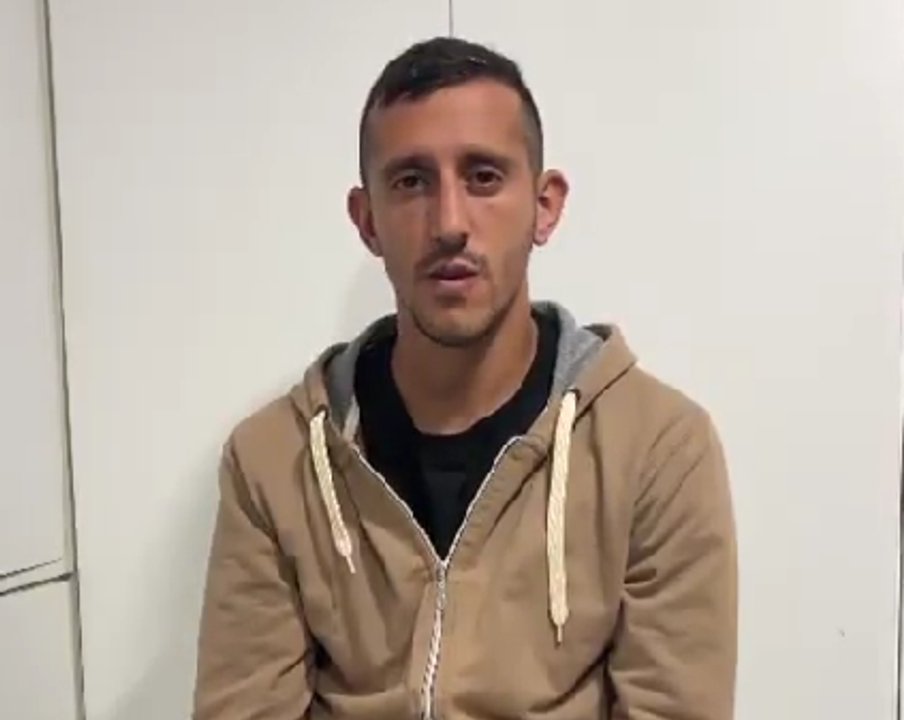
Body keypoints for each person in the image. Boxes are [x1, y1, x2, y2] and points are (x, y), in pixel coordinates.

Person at [192, 36, 737, 720]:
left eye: (483, 177)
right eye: (411, 182)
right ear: (367, 221)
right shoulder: (274, 461)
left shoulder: (659, 449)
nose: (449, 223)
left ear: (544, 206)